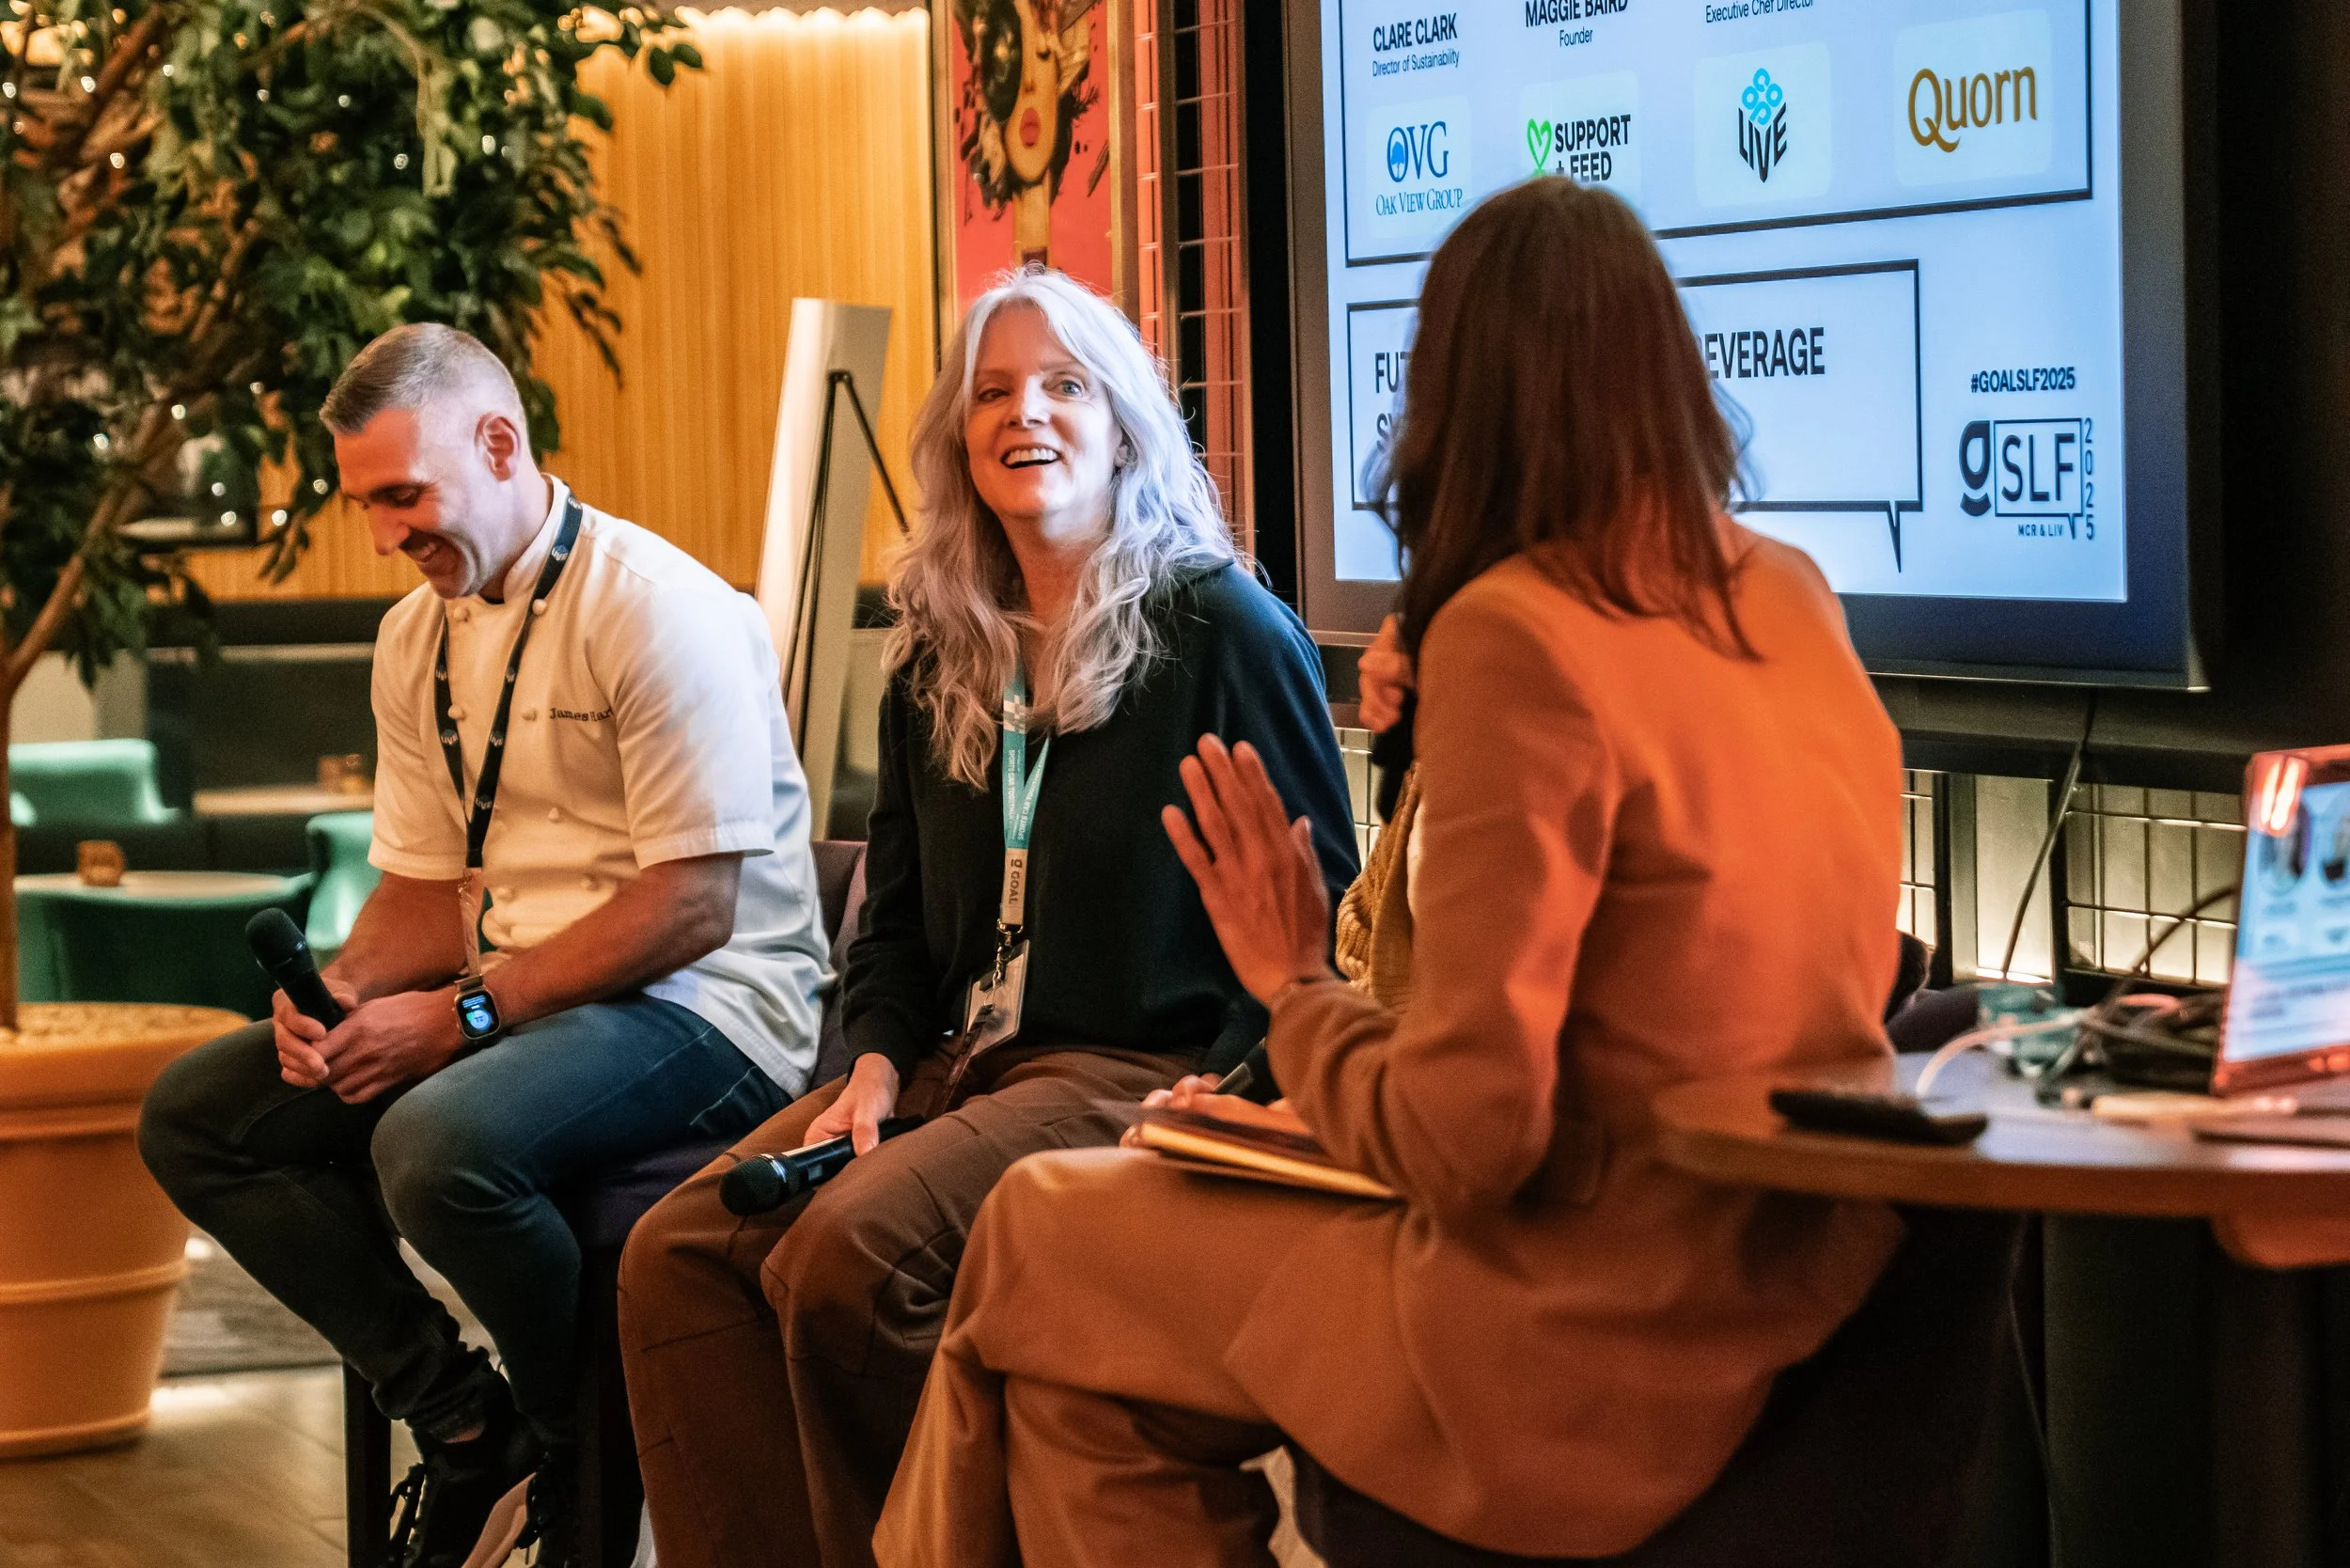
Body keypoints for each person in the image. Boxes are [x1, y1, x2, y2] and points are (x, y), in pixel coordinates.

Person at [873, 177, 1909, 1566]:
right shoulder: (1785, 587)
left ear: (1455, 402)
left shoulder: (1519, 638)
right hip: (1775, 1268)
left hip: (1573, 1314)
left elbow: (1468, 1144)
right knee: (1070, 1360)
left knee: (1034, 1244)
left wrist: (1291, 989)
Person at [616, 266, 1358, 1568]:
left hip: (1142, 1065)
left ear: (1124, 422)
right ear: (959, 437)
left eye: (1066, 386)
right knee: (677, 1256)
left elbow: (1323, 920)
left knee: (846, 1262)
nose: (1030, 414)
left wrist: (1239, 1085)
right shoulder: (936, 643)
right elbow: (890, 914)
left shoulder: (1225, 632)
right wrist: (872, 1060)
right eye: (995, 392)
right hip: (958, 1061)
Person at [138, 324, 832, 1568]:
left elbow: (693, 907)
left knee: (434, 1142)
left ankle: (582, 1453)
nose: (384, 536)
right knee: (199, 1113)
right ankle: (465, 1425)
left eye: (403, 496)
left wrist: (460, 1017)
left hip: (710, 1006)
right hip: (531, 1003)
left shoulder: (658, 607)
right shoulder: (418, 637)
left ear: (499, 443)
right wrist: (341, 995)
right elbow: (418, 890)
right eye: (364, 503)